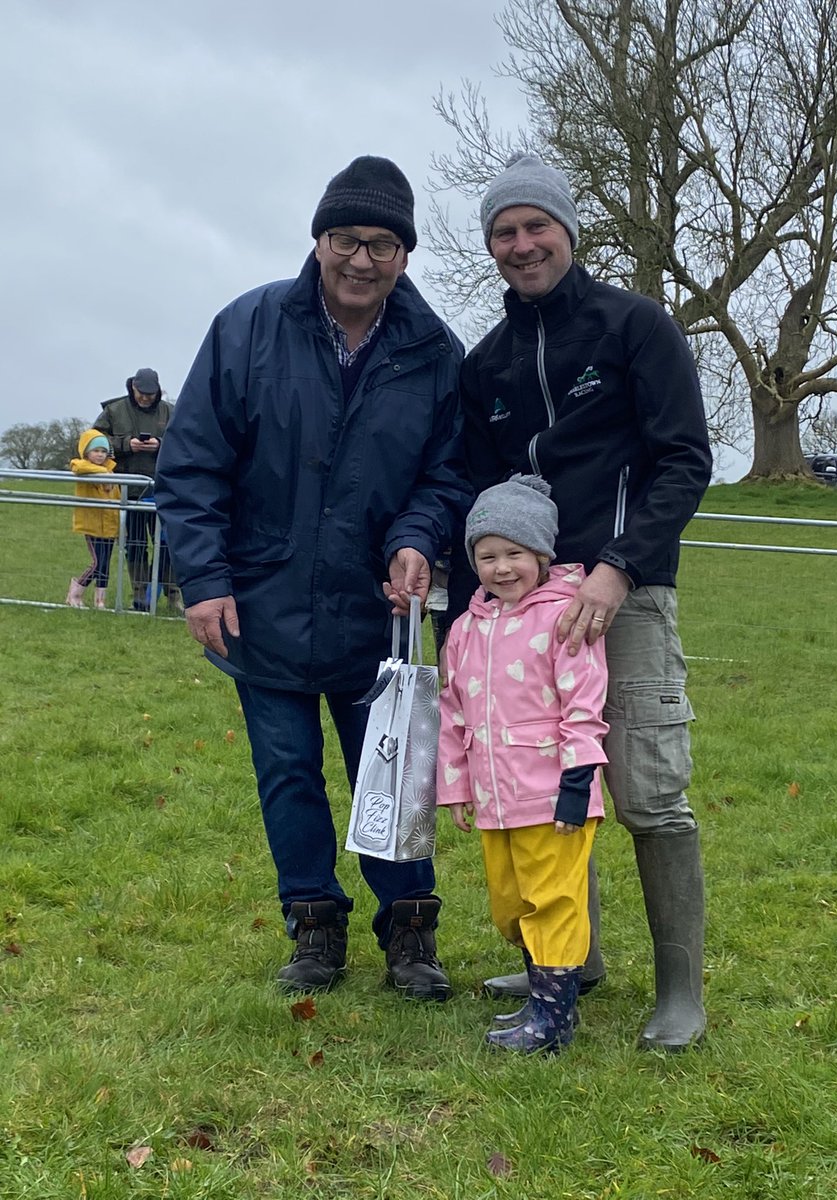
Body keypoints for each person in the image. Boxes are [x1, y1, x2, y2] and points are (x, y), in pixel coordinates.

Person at [155, 156, 470, 1001]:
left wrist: (416, 536)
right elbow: (191, 467)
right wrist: (207, 578)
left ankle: (409, 930)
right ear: (318, 240)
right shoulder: (247, 327)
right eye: (346, 239)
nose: (361, 260)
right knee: (288, 772)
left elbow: (449, 473)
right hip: (260, 607)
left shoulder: (438, 354)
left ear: (405, 255)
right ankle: (314, 924)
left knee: (390, 772)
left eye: (383, 245)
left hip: (377, 617)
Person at [452, 153, 713, 1051]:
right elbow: (481, 494)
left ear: (568, 229)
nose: (522, 245)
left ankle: (681, 990)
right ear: (490, 245)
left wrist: (619, 566)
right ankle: (575, 956)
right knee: (540, 782)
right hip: (524, 611)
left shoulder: (637, 327)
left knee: (646, 787)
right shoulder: (483, 365)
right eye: (504, 232)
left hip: (622, 597)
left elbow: (684, 460)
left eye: (536, 226)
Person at [439, 475, 608, 1054]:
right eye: (487, 556)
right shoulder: (464, 630)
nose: (501, 568)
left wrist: (577, 780)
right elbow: (454, 713)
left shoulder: (565, 618)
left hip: (554, 794)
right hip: (494, 798)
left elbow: (584, 702)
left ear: (540, 555)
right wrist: (456, 787)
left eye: (515, 553)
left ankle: (553, 1017)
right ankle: (543, 989)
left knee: (553, 898)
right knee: (510, 905)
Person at [93, 368, 180, 612]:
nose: (145, 398)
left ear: (158, 392)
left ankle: (173, 597)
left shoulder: (171, 412)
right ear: (133, 387)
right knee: (136, 546)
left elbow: (185, 441)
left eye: (151, 395)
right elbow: (94, 442)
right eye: (142, 393)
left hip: (163, 491)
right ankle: (140, 598)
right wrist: (126, 444)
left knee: (168, 546)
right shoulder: (113, 411)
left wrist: (161, 445)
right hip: (128, 492)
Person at [66, 429, 120, 609]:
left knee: (105, 565)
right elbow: (78, 466)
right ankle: (74, 594)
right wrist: (103, 473)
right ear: (86, 451)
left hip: (110, 526)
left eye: (103, 451)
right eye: (96, 450)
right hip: (92, 524)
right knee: (97, 563)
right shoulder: (82, 467)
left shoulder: (111, 471)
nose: (100, 454)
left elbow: (117, 499)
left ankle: (100, 602)